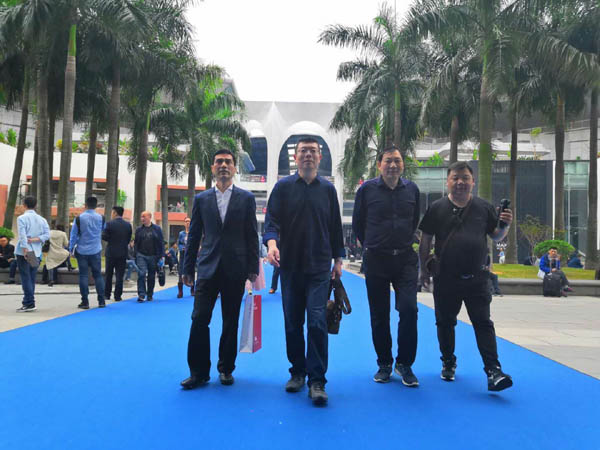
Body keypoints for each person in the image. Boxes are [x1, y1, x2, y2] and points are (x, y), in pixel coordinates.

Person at [419, 161, 514, 392]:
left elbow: (496, 235)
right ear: (447, 182)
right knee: (445, 322)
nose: (460, 182)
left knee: (483, 323)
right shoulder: (437, 208)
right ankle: (448, 361)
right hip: (446, 278)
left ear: (473, 182)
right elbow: (425, 240)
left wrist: (505, 225)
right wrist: (423, 270)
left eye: (465, 178)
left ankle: (493, 370)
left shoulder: (484, 207)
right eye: (455, 178)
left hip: (477, 278)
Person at [264, 137, 345, 406]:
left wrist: (338, 260)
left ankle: (317, 380)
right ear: (295, 157)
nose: (308, 155)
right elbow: (271, 222)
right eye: (303, 151)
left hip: (319, 268)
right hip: (290, 268)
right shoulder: (283, 187)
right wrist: (272, 245)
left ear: (320, 157)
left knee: (317, 321)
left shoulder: (328, 190)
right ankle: (297, 372)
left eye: (313, 151)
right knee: (293, 322)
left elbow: (335, 227)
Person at [180, 149, 259, 390]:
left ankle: (226, 369)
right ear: (212, 168)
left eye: (228, 162)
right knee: (199, 319)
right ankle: (198, 372)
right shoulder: (202, 199)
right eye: (219, 162)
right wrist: (187, 267)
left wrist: (253, 268)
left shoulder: (246, 198)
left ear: (234, 168)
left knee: (230, 321)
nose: (223, 165)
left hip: (235, 268)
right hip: (207, 268)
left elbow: (251, 234)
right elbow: (194, 235)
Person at [352, 146, 420, 386]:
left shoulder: (412, 190)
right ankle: (384, 363)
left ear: (403, 165)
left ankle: (405, 364)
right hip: (377, 260)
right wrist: (372, 244)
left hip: (405, 259)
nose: (393, 165)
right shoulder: (367, 190)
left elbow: (414, 220)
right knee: (379, 314)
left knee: (409, 309)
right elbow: (358, 224)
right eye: (388, 161)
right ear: (379, 164)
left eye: (397, 161)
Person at [70, 196, 106, 309]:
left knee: (83, 275)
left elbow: (73, 235)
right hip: (96, 250)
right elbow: (103, 230)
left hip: (82, 250)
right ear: (96, 206)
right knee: (98, 275)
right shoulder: (101, 218)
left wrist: (71, 249)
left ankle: (85, 301)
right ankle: (101, 301)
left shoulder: (79, 218)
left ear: (85, 205)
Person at [15, 196, 50, 312]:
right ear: (35, 205)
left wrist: (25, 249)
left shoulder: (22, 218)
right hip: (36, 251)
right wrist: (35, 239)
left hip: (25, 251)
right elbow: (47, 235)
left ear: (24, 205)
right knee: (31, 277)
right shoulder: (42, 219)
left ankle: (29, 303)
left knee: (26, 277)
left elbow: (22, 235)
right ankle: (29, 301)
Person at [102, 206, 132, 302]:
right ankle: (118, 295)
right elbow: (128, 239)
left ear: (115, 213)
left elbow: (104, 236)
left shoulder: (109, 224)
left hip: (111, 252)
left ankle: (107, 294)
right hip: (122, 252)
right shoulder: (128, 225)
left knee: (109, 274)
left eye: (112, 212)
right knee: (120, 275)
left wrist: (111, 239)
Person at [134, 211, 164, 302]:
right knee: (141, 274)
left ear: (150, 217)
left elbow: (161, 243)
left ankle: (150, 294)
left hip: (153, 256)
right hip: (141, 255)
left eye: (144, 216)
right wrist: (136, 254)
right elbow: (136, 243)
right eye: (141, 217)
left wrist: (161, 256)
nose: (142, 218)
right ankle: (141, 294)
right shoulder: (139, 230)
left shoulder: (157, 229)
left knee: (151, 276)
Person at [177, 217, 192, 298]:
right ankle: (180, 291)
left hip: (191, 255)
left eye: (189, 221)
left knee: (191, 271)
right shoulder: (181, 233)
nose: (187, 223)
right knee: (181, 272)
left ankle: (192, 289)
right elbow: (179, 243)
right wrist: (182, 248)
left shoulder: (193, 232)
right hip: (183, 255)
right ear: (184, 223)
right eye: (186, 221)